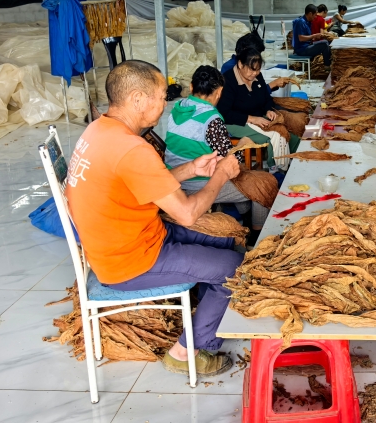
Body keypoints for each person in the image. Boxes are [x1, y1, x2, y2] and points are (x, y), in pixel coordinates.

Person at [65, 60, 243, 377]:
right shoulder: (133, 148)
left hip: (134, 238)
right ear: (137, 99)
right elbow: (187, 214)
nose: (164, 104)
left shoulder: (100, 130)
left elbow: (140, 184)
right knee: (234, 269)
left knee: (229, 241)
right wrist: (220, 175)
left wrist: (191, 169)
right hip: (130, 262)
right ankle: (186, 351)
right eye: (160, 97)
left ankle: (204, 313)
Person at [165, 66, 276, 245]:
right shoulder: (211, 119)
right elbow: (232, 161)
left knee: (246, 183)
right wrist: (242, 144)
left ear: (192, 87)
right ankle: (257, 237)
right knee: (264, 184)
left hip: (174, 177)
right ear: (219, 92)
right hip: (196, 183)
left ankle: (245, 217)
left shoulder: (178, 108)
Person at [219, 46, 301, 169]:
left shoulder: (257, 77)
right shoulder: (228, 81)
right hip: (235, 122)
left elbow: (266, 99)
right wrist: (251, 119)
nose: (255, 73)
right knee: (276, 137)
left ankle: (295, 166)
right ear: (240, 64)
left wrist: (268, 110)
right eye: (252, 70)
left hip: (257, 118)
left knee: (292, 138)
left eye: (257, 70)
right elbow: (224, 113)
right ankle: (277, 171)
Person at [292, 4, 332, 68]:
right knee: (324, 45)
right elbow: (301, 38)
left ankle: (328, 64)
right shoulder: (301, 22)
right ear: (310, 14)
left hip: (308, 45)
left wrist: (316, 36)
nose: (316, 17)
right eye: (315, 15)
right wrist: (314, 36)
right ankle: (327, 66)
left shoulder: (308, 22)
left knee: (326, 42)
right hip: (302, 49)